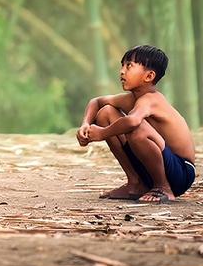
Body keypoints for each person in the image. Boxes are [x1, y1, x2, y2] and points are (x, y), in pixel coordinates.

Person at [75, 45, 195, 204]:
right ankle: (135, 184)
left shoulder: (152, 99)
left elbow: (132, 121)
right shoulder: (132, 99)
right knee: (106, 112)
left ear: (149, 76)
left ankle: (163, 188)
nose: (122, 71)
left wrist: (102, 134)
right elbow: (96, 101)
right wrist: (85, 124)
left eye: (129, 65)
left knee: (136, 128)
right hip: (153, 169)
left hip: (180, 173)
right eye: (122, 65)